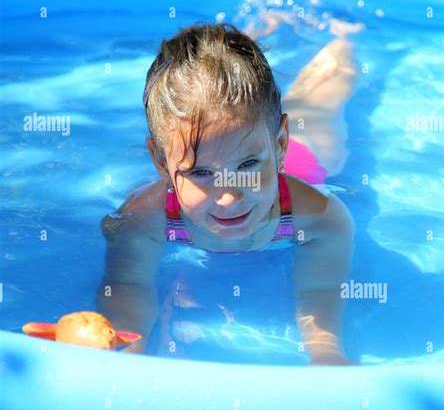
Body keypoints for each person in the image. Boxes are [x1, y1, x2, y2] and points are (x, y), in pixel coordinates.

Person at [97, 20, 360, 365]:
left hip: (300, 162)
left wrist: (325, 350)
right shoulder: (143, 221)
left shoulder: (319, 218)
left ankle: (343, 40)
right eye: (201, 173)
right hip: (254, 142)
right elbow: (129, 286)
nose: (229, 196)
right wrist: (126, 351)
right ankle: (246, 42)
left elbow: (320, 289)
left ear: (279, 143)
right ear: (162, 163)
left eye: (248, 165)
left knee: (320, 104)